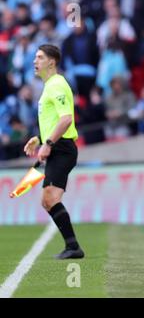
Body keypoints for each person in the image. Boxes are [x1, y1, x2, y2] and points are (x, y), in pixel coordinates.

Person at [23, 44, 84, 259]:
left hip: (62, 149)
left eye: (39, 57)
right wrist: (39, 139)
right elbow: (57, 120)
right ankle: (72, 246)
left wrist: (47, 143)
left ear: (52, 61)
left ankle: (73, 247)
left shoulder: (57, 84)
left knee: (49, 197)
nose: (34, 61)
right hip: (57, 147)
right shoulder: (50, 85)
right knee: (48, 200)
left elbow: (66, 119)